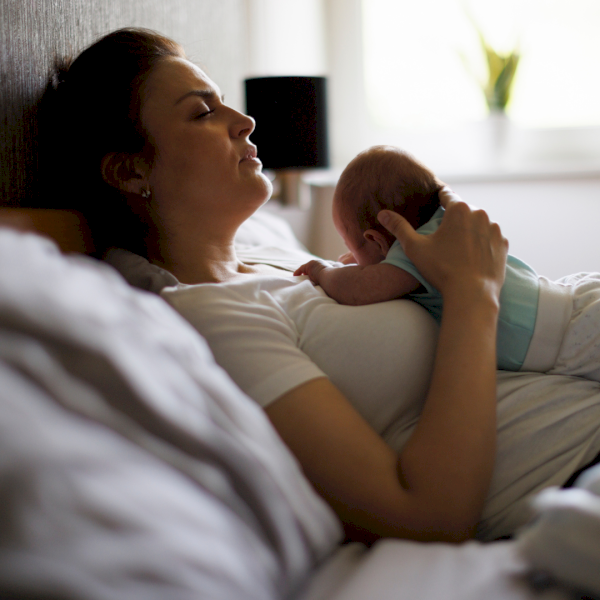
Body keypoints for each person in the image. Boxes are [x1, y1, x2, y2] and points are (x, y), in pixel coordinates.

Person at [50, 27, 600, 544]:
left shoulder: (272, 258)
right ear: (130, 173)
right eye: (202, 112)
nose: (244, 120)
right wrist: (473, 293)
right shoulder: (211, 318)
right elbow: (423, 513)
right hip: (577, 471)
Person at [295, 145, 600, 379]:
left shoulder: (418, 251)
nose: (351, 258)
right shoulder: (447, 227)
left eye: (352, 246)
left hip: (570, 337)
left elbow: (360, 289)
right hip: (575, 297)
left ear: (376, 240)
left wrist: (324, 271)